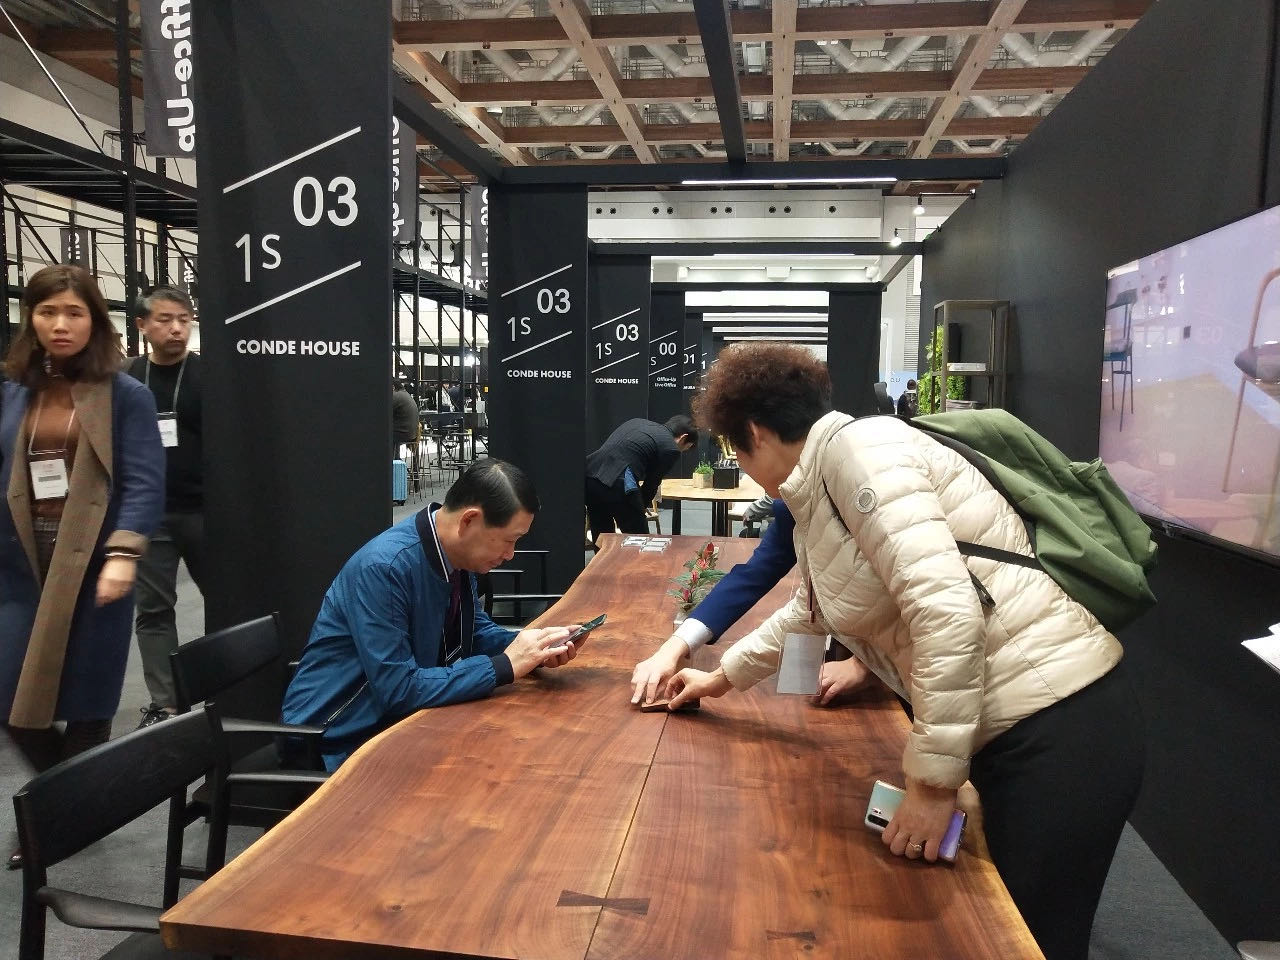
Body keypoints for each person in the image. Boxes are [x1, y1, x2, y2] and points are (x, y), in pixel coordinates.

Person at [664, 342, 1143, 960]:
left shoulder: (862, 457)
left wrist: (931, 787)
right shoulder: (822, 485)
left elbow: (947, 614)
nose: (745, 470)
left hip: (1060, 729)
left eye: (737, 451)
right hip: (1018, 728)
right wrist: (719, 679)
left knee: (1027, 941)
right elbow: (809, 612)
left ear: (755, 433)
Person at [0, 265, 165, 868]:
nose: (60, 324)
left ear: (95, 320)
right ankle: (74, 801)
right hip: (19, 564)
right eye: (48, 312)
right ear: (31, 318)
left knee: (88, 705)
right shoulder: (13, 390)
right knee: (10, 699)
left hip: (95, 561)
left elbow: (144, 481)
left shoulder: (126, 395)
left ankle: (57, 817)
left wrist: (123, 553)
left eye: (74, 312)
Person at [282, 458, 580, 770]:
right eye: (509, 540)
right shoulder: (385, 569)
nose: (510, 554)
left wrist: (535, 649)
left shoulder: (454, 557)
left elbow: (474, 632)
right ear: (469, 521)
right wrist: (505, 665)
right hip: (333, 741)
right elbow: (399, 690)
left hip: (400, 724)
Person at [629, 499, 871, 708]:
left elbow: (895, 576)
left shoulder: (864, 479)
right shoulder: (792, 498)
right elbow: (755, 574)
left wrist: (863, 666)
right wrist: (673, 648)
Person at [127, 286, 205, 727]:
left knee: (225, 602)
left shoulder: (209, 375)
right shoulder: (127, 377)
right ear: (142, 325)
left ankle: (227, 693)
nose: (176, 328)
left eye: (184, 319)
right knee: (153, 610)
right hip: (149, 516)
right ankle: (168, 704)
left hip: (204, 512)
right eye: (164, 319)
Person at [585, 415, 697, 544]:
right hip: (619, 480)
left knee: (602, 536)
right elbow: (651, 484)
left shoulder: (637, 422)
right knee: (638, 539)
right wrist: (639, 508)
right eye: (686, 448)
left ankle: (603, 557)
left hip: (590, 473)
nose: (682, 451)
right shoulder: (670, 447)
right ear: (683, 438)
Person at [391, 378, 419, 459]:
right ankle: (395, 460)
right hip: (412, 433)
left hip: (403, 433)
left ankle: (389, 462)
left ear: (393, 387)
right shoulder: (405, 394)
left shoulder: (395, 396)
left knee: (380, 436)